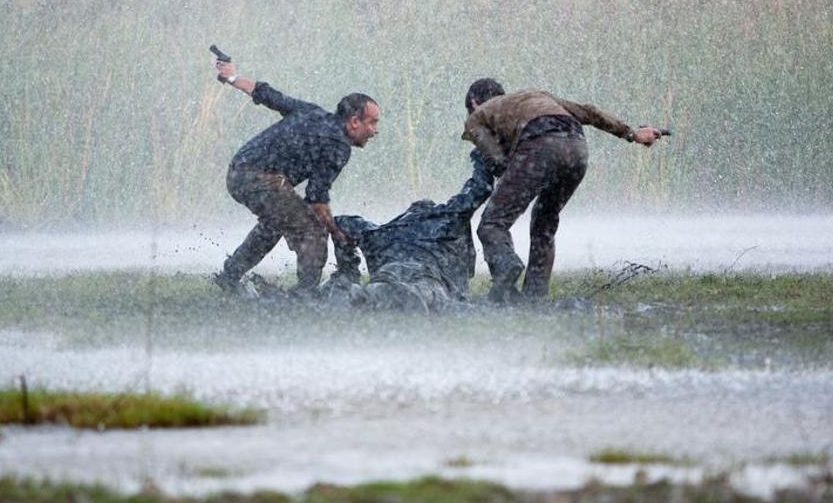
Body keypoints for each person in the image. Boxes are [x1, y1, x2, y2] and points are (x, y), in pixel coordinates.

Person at [461, 78, 662, 303]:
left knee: (492, 223)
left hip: (540, 147)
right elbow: (590, 112)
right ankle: (535, 297)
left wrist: (503, 171)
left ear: (474, 102)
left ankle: (506, 272)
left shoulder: (477, 116)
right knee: (544, 223)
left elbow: (498, 160)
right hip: (577, 149)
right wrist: (632, 134)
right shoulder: (535, 95)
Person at [208, 55, 380, 295]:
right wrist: (337, 233)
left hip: (237, 172)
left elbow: (269, 95)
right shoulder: (338, 145)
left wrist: (233, 77)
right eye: (372, 123)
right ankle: (304, 296)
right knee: (312, 230)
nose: (375, 131)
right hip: (259, 178)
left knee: (274, 224)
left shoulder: (312, 112)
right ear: (354, 121)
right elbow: (316, 197)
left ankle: (229, 277)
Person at [327, 149, 502, 312]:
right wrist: (481, 155)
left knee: (379, 288)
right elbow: (480, 188)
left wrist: (348, 269)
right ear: (431, 210)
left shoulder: (382, 232)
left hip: (389, 270)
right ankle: (408, 295)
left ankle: (366, 294)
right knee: (428, 292)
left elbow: (340, 223)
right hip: (426, 273)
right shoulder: (445, 219)